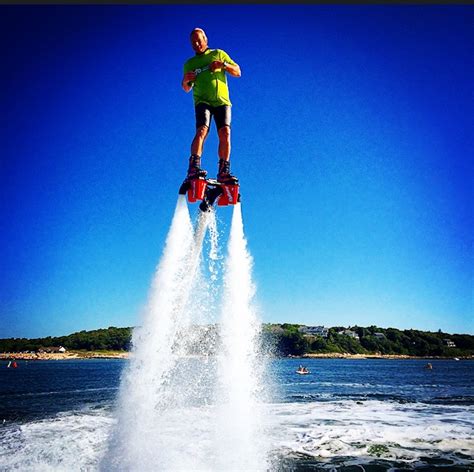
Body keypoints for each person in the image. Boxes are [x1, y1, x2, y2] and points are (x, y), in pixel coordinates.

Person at [182, 28, 241, 184]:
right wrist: (185, 80)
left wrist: (223, 65)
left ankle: (223, 171)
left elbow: (237, 71)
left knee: (225, 133)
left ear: (205, 40)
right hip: (202, 101)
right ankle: (194, 167)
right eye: (193, 42)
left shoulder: (218, 53)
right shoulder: (190, 63)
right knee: (202, 130)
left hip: (222, 101)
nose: (196, 44)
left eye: (198, 40)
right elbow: (186, 87)